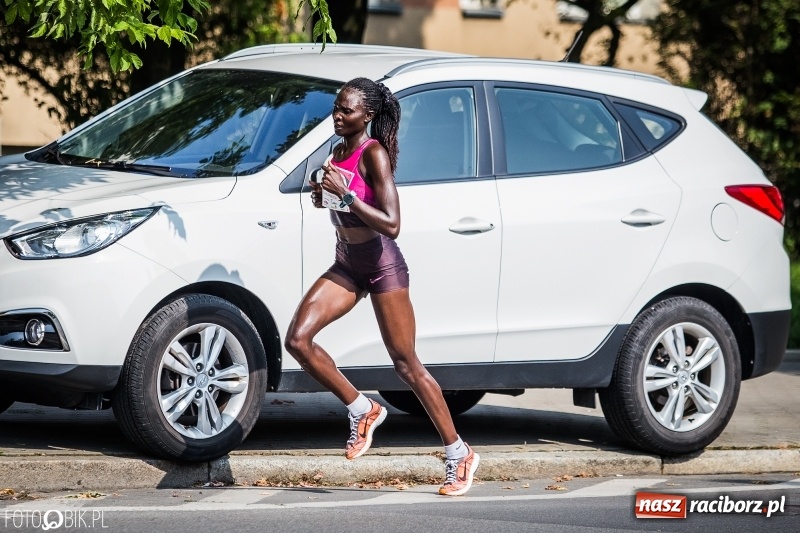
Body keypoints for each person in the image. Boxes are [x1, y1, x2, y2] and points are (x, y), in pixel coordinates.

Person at [284, 77, 479, 496]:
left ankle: (459, 453)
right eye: (336, 108)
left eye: (347, 110)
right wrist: (324, 198)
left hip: (382, 266)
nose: (338, 116)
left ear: (367, 115)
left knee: (406, 365)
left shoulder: (374, 154)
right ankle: (362, 408)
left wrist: (346, 197)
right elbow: (345, 204)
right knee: (298, 340)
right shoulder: (337, 150)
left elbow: (392, 223)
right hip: (347, 262)